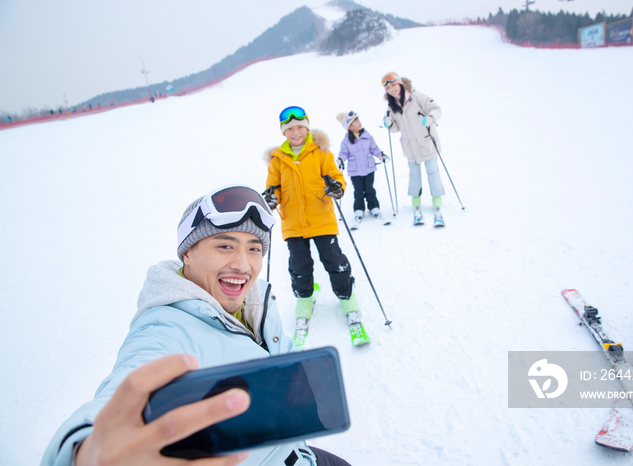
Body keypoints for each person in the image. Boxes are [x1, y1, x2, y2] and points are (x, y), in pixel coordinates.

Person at [41, 185, 349, 466]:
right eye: (225, 246)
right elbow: (120, 395)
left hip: (298, 453)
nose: (243, 265)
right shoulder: (165, 328)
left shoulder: (256, 298)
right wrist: (88, 453)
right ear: (187, 252)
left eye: (254, 248)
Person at [264, 106, 364, 341]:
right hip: (293, 224)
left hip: (321, 219)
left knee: (334, 260)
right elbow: (273, 188)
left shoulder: (321, 152)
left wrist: (337, 187)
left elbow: (336, 178)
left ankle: (347, 297)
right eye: (290, 129)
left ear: (307, 128)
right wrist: (270, 198)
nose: (296, 132)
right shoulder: (278, 160)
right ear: (283, 133)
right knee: (299, 265)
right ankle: (305, 298)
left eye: (300, 127)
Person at [381, 72, 446, 226]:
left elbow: (436, 109)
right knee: (414, 175)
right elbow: (395, 128)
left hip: (427, 143)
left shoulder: (416, 97)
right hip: (410, 147)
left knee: (432, 171)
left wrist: (429, 119)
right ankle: (416, 202)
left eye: (393, 85)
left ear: (400, 84)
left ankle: (437, 199)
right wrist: (389, 124)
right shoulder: (392, 106)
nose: (391, 90)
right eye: (388, 88)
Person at [335, 111, 385, 224]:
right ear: (350, 127)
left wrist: (380, 155)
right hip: (355, 172)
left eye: (358, 120)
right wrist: (340, 159)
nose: (359, 123)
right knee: (358, 191)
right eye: (355, 121)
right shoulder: (346, 141)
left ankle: (374, 207)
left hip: (369, 169)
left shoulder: (367, 136)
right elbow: (344, 153)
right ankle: (359, 209)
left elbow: (374, 148)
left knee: (369, 189)